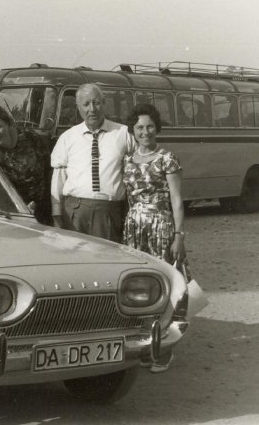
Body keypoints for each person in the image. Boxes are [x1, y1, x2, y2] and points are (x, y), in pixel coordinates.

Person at [122, 103, 186, 373]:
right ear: (133, 131)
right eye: (139, 128)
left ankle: (163, 351)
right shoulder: (127, 160)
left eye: (149, 126)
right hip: (134, 228)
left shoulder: (167, 158)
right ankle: (142, 347)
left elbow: (177, 200)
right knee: (138, 288)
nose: (145, 132)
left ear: (156, 128)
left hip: (160, 226)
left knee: (164, 288)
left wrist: (179, 235)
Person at [50, 83, 136, 241]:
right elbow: (58, 180)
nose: (92, 109)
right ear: (78, 107)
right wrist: (57, 214)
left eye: (96, 103)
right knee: (74, 254)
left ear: (104, 103)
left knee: (107, 254)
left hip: (108, 213)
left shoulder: (123, 134)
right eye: (86, 104)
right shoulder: (67, 138)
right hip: (75, 212)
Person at [0, 104, 51, 224]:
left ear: (8, 123)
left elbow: (49, 171)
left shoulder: (32, 139)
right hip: (8, 212)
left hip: (41, 209)